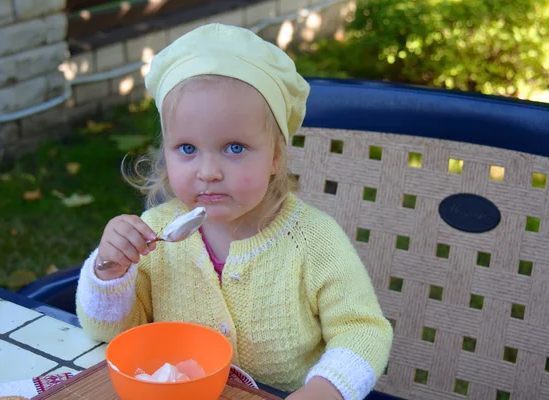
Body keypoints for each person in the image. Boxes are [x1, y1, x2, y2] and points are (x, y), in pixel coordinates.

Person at [75, 23, 393, 400]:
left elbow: (363, 329)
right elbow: (109, 334)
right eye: (188, 149)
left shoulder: (314, 240)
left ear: (275, 156)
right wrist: (111, 271)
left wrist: (327, 389)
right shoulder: (156, 233)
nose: (208, 172)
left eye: (235, 148)